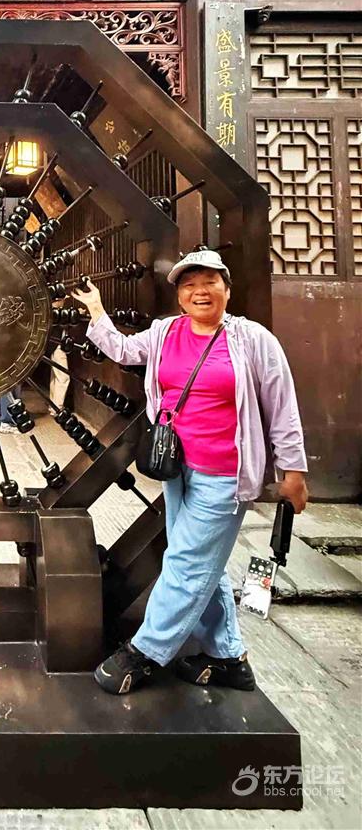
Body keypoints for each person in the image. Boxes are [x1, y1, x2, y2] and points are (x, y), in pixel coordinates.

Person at [73, 249, 308, 696]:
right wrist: (98, 311)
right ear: (180, 295)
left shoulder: (252, 340)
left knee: (186, 563)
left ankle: (145, 651)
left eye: (209, 282)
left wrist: (293, 470)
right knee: (202, 562)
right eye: (189, 284)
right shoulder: (165, 332)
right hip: (178, 468)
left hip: (225, 475)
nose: (200, 291)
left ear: (227, 289)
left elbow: (283, 406)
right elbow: (124, 350)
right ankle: (228, 658)